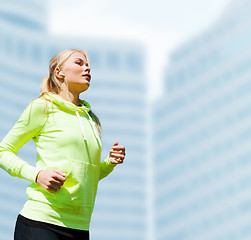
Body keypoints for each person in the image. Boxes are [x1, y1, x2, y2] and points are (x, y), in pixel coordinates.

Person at [0, 49, 126, 240]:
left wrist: (109, 162)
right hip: (41, 221)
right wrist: (38, 175)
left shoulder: (90, 120)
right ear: (59, 72)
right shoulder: (43, 107)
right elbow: (3, 152)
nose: (87, 68)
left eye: (88, 64)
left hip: (80, 228)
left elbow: (86, 176)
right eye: (79, 63)